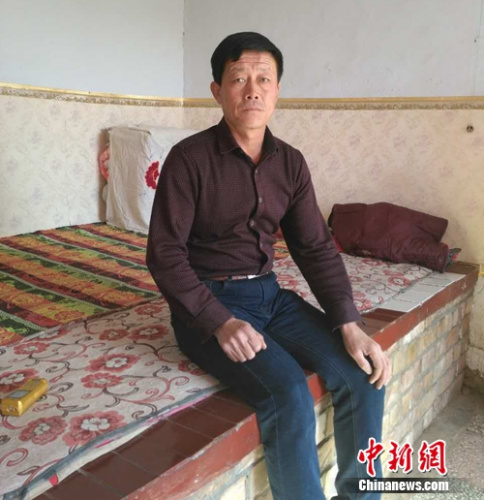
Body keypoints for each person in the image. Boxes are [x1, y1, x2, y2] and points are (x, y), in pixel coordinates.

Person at [147, 31, 391, 500]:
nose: (252, 90)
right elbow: (164, 255)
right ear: (218, 91)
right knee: (288, 392)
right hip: (209, 304)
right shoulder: (189, 159)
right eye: (238, 78)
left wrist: (350, 323)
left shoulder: (291, 164)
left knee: (362, 374)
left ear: (278, 90)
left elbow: (315, 247)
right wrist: (218, 321)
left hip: (269, 296)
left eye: (264, 79)